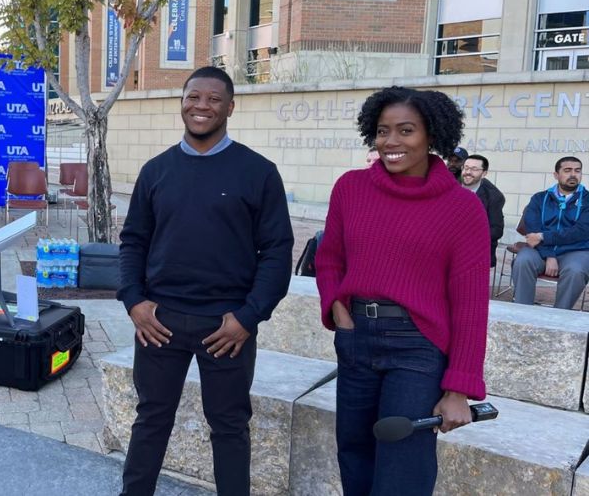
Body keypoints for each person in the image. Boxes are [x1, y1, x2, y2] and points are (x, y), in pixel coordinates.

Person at [117, 66, 294, 495]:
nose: (202, 106)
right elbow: (132, 242)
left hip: (227, 326)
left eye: (214, 99)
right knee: (151, 419)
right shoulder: (156, 171)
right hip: (160, 322)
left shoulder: (258, 172)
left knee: (230, 426)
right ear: (182, 102)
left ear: (230, 107)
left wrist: (249, 317)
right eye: (194, 97)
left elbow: (276, 251)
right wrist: (135, 302)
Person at [315, 86, 489, 496]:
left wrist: (459, 388)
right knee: (354, 454)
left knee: (403, 466)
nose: (391, 142)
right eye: (382, 131)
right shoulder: (351, 188)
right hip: (356, 337)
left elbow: (471, 305)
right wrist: (337, 307)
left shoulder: (463, 208)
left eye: (406, 130)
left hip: (418, 346)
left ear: (432, 135)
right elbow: (329, 259)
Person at [513, 156, 589, 309]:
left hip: (575, 250)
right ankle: (522, 311)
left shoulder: (587, 200)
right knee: (523, 260)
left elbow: (581, 231)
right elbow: (533, 231)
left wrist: (543, 236)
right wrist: (549, 255)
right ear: (556, 174)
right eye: (567, 170)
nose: (573, 174)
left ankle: (559, 315)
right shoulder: (540, 198)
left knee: (576, 271)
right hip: (541, 250)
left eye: (577, 171)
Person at [460, 154, 506, 267]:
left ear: (484, 173)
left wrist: (468, 239)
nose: (468, 172)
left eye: (474, 169)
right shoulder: (450, 186)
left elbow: (496, 230)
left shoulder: (494, 196)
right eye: (466, 168)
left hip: (475, 248)